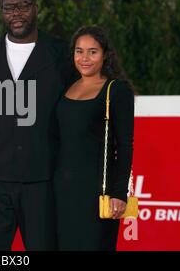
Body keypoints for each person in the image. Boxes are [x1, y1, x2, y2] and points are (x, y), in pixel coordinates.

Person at [0, 0, 69, 250]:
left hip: (42, 179)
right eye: (9, 7)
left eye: (23, 5)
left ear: (36, 8)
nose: (17, 13)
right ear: (1, 13)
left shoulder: (62, 56)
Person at [53, 25, 135, 251]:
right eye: (79, 51)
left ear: (105, 54)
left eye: (92, 51)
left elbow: (125, 145)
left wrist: (119, 193)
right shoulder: (66, 86)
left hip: (97, 191)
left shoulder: (116, 90)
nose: (84, 58)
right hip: (61, 191)